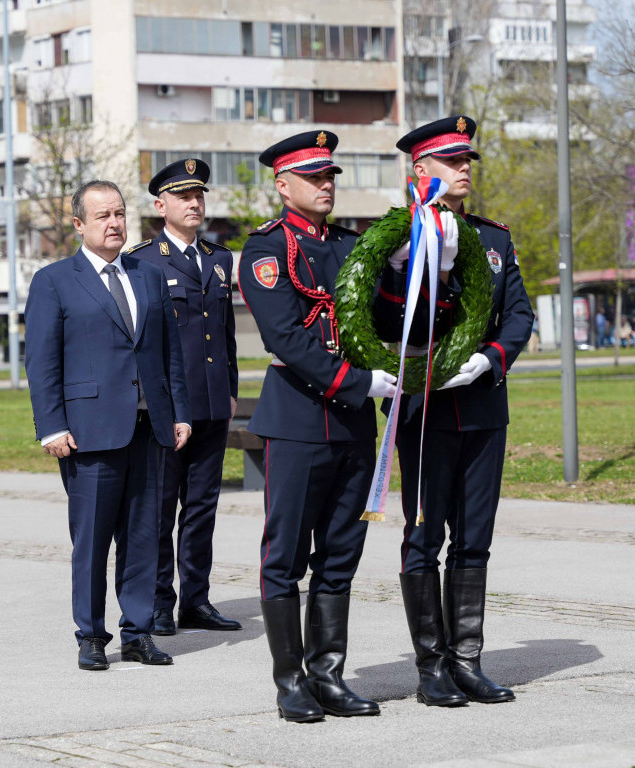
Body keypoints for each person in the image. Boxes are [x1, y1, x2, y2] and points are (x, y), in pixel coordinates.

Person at [239, 130, 402, 723]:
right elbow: (286, 337)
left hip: (353, 428)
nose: (327, 184)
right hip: (301, 421)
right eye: (313, 177)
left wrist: (411, 273)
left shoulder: (355, 246)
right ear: (283, 186)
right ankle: (290, 683)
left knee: (340, 553)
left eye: (330, 174)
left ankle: (328, 674)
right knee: (285, 555)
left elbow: (387, 316)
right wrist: (358, 384)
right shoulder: (265, 250)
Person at [389, 115, 534, 707]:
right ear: (420, 172)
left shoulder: (495, 240)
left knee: (475, 540)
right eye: (451, 161)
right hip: (426, 413)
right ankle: (430, 668)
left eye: (468, 159)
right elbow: (379, 321)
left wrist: (491, 359)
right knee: (425, 539)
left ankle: (466, 659)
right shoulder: (399, 240)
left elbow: (520, 315)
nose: (465, 168)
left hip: (481, 409)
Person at [25, 180, 192, 672]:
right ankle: (91, 635)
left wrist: (179, 410)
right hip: (89, 431)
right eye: (103, 216)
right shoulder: (54, 280)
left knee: (144, 537)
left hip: (150, 427)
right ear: (79, 225)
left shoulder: (148, 276)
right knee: (93, 541)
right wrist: (51, 426)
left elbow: (169, 354)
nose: (115, 223)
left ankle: (137, 632)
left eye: (119, 213)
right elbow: (42, 362)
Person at [125, 158, 241, 636]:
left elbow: (225, 333)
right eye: (182, 196)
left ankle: (197, 599)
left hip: (212, 402)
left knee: (202, 508)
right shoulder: (141, 261)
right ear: (160, 204)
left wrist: (231, 389)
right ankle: (157, 602)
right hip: (168, 407)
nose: (194, 203)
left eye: (199, 195)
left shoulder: (220, 259)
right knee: (159, 507)